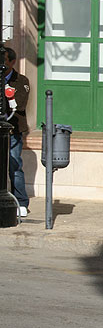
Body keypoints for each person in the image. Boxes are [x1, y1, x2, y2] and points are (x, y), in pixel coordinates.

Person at [3, 47, 30, 217]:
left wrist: (9, 96)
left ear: (12, 62)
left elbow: (20, 105)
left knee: (14, 165)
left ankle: (21, 202)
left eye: (4, 60)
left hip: (13, 130)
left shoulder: (21, 80)